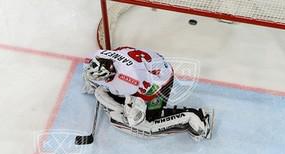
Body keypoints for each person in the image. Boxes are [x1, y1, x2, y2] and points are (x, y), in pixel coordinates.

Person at [82, 46, 213, 140]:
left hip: (159, 80)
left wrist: (133, 111)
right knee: (103, 93)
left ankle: (195, 116)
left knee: (148, 122)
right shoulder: (95, 56)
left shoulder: (129, 82)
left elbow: (144, 96)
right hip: (143, 66)